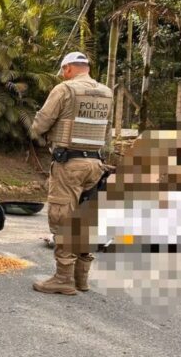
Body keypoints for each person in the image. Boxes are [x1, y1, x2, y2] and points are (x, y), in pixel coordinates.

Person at [30, 51, 113, 295]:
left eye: (63, 72)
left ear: (68, 68)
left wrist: (39, 132)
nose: (62, 76)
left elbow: (41, 124)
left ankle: (63, 278)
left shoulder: (64, 90)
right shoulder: (106, 92)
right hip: (96, 164)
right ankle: (81, 278)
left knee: (63, 218)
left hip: (69, 165)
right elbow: (106, 130)